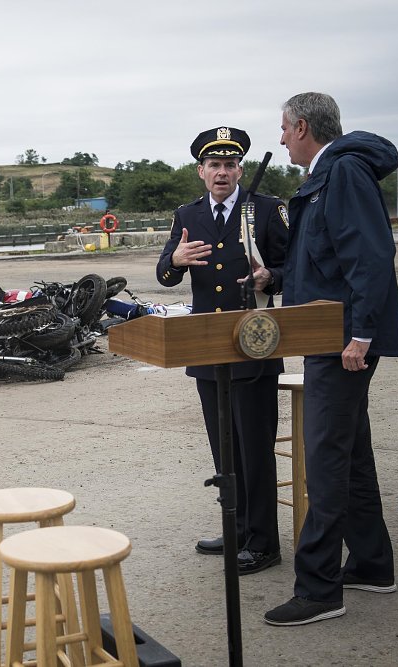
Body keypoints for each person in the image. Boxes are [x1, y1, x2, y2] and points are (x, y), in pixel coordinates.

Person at [263, 92, 398, 627]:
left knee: (323, 462)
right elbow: (324, 261)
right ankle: (371, 563)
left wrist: (362, 335)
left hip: (341, 343)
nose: (279, 139)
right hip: (330, 337)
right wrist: (274, 278)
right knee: (351, 455)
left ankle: (320, 589)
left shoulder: (341, 173)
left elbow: (370, 255)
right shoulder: (328, 176)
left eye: (282, 129)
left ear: (301, 127)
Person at [156, 126, 288, 575]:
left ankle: (263, 542)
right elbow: (165, 273)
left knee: (254, 448)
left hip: (253, 344)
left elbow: (295, 267)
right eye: (214, 165)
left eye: (230, 165)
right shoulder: (187, 213)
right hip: (207, 348)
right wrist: (173, 262)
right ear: (201, 171)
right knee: (224, 451)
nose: (222, 172)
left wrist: (271, 277)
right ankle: (237, 530)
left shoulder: (266, 210)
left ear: (240, 170)